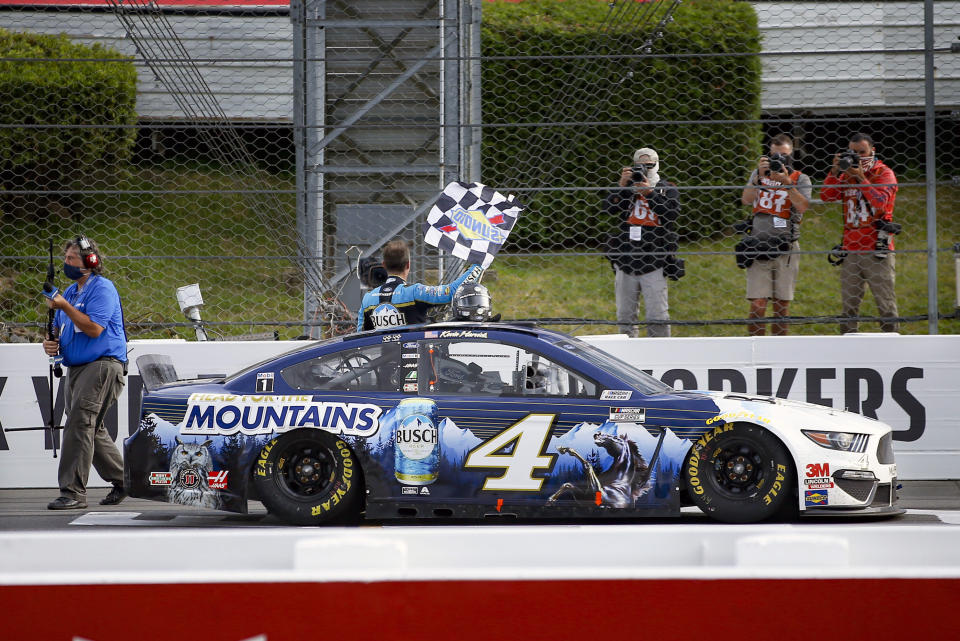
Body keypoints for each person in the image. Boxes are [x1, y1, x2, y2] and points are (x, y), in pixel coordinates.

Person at [41, 236, 128, 510]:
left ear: (90, 262)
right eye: (65, 259)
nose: (66, 263)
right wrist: (50, 342)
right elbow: (58, 329)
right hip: (77, 368)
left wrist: (63, 306)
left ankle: (72, 492)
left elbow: (94, 329)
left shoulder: (102, 289)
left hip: (102, 365)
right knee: (91, 427)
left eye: (71, 259)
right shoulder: (69, 292)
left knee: (79, 424)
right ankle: (126, 480)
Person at [820, 132, 899, 333]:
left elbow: (880, 204)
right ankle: (848, 344)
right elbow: (826, 196)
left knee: (886, 304)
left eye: (862, 152)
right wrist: (835, 170)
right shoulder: (846, 174)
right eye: (853, 153)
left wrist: (861, 178)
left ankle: (893, 342)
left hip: (876, 248)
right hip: (851, 248)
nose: (857, 157)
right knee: (849, 306)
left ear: (873, 151)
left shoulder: (884, 173)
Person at [739, 134, 812, 336]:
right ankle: (756, 348)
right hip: (758, 245)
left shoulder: (800, 178)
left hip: (786, 247)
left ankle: (779, 351)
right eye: (775, 156)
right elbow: (746, 200)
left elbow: (803, 206)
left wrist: (787, 183)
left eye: (784, 156)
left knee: (781, 306)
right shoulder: (759, 174)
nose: (779, 160)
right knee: (757, 304)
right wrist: (757, 178)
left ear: (792, 156)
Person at [604, 147, 680, 337]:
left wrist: (649, 194)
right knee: (624, 316)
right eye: (639, 166)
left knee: (657, 316)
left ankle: (660, 356)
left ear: (656, 165)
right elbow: (608, 208)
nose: (643, 170)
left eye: (648, 165)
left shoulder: (666, 188)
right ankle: (628, 357)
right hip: (626, 258)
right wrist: (622, 186)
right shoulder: (627, 189)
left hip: (654, 258)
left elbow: (671, 215)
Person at [357, 239, 482, 332]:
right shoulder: (416, 292)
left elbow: (359, 337)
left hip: (381, 366)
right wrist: (480, 264)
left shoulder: (368, 299)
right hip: (417, 364)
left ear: (383, 265)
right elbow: (453, 291)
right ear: (408, 265)